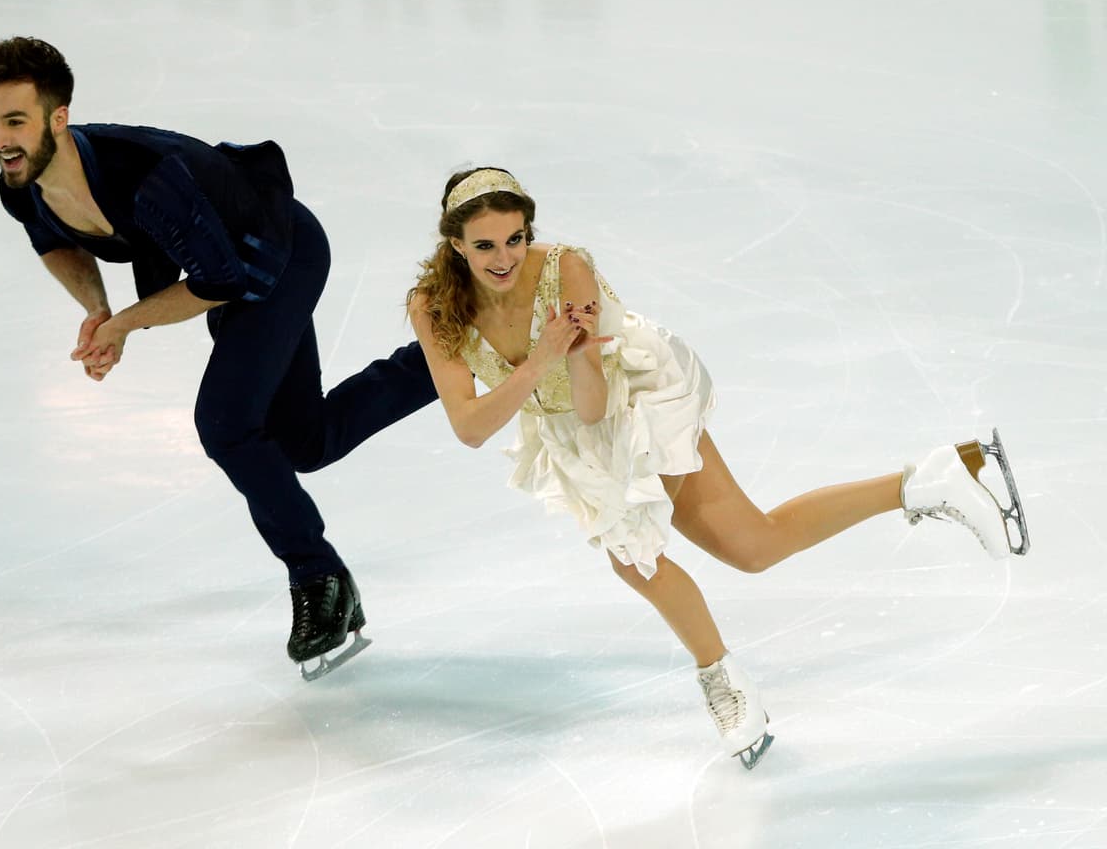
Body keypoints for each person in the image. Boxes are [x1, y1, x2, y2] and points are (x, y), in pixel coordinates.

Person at [406, 166, 1029, 768]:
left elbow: (594, 406)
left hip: (637, 398)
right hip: (571, 432)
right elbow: (470, 427)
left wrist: (564, 356)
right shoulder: (433, 306)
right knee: (754, 547)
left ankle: (723, 683)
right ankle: (934, 479)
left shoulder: (566, 269)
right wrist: (543, 359)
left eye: (515, 239)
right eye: (484, 245)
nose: (504, 258)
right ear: (455, 244)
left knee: (633, 553)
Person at [0, 37, 438, 679]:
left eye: (15, 121)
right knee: (303, 441)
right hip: (226, 268)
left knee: (225, 422)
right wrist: (98, 308)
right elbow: (53, 241)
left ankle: (318, 577)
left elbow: (218, 282)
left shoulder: (146, 179)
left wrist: (125, 324)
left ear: (58, 118)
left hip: (278, 255)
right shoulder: (22, 183)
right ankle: (450, 356)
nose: (0, 140)